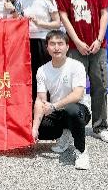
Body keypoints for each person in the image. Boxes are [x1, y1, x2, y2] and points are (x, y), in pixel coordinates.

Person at [54, 0, 108, 144]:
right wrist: (78, 42)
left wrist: (98, 40)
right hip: (74, 47)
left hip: (98, 47)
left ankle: (100, 126)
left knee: (100, 86)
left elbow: (104, 14)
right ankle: (72, 127)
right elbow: (64, 18)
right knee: (72, 88)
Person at [32, 30, 92, 170]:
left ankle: (81, 152)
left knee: (71, 110)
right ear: (47, 47)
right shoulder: (42, 70)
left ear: (67, 47)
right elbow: (40, 100)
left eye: (60, 44)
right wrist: (34, 128)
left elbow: (77, 95)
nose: (56, 47)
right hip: (57, 111)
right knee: (37, 125)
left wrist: (54, 106)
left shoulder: (76, 66)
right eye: (52, 44)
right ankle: (65, 132)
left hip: (79, 110)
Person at [20, 0, 61, 101]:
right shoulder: (22, 1)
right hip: (27, 43)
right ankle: (33, 107)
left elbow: (57, 23)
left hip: (44, 42)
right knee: (30, 75)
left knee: (45, 75)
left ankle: (47, 107)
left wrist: (40, 24)